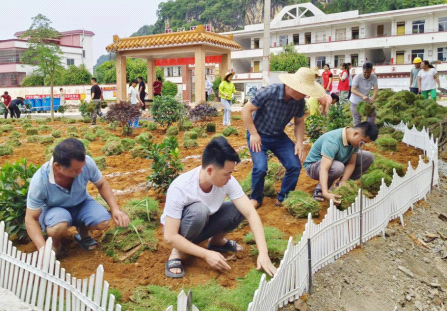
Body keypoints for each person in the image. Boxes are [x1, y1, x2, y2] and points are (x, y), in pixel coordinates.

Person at [162, 137, 278, 278]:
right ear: (210, 170)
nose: (230, 178)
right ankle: (177, 252)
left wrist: (263, 254)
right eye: (227, 173)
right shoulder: (180, 187)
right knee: (199, 211)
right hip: (182, 230)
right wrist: (206, 254)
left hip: (205, 222)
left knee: (239, 207)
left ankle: (216, 242)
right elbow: (170, 236)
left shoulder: (227, 180)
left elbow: (250, 213)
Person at [25, 138, 130, 255]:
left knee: (103, 221)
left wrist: (115, 209)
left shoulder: (86, 163)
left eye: (82, 167)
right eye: (75, 170)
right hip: (55, 210)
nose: (81, 172)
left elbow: (102, 183)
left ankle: (83, 234)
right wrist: (43, 250)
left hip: (81, 203)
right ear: (57, 167)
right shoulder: (40, 181)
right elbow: (30, 219)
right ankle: (55, 244)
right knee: (57, 226)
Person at [242, 67, 326, 208]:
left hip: (278, 136)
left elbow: (299, 122)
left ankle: (284, 198)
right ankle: (255, 198)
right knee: (261, 168)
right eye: (305, 91)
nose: (306, 95)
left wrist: (299, 142)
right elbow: (246, 110)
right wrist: (254, 134)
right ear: (295, 87)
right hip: (259, 135)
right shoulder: (269, 92)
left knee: (294, 165)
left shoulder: (299, 102)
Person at [304, 122, 378, 204]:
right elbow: (324, 169)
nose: (362, 146)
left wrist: (343, 181)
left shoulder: (355, 141)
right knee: (338, 167)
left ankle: (342, 187)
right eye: (363, 142)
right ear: (356, 134)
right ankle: (320, 190)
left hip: (337, 161)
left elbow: (351, 163)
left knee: (368, 157)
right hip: (314, 166)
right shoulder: (332, 141)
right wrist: (325, 192)